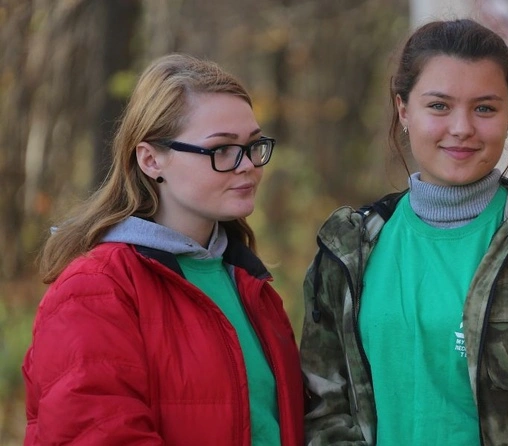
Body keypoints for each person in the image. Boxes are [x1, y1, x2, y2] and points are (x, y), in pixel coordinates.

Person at [300, 19, 508, 445]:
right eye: (439, 106)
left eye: (485, 108)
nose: (461, 128)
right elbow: (325, 412)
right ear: (403, 110)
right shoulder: (349, 250)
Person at [22, 53, 304, 445]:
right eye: (222, 149)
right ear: (152, 159)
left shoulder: (251, 285)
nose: (247, 165)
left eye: (253, 145)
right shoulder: (94, 289)